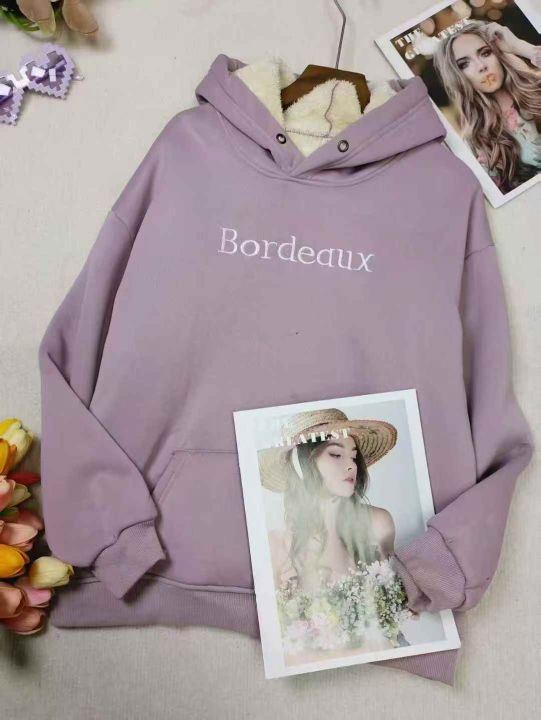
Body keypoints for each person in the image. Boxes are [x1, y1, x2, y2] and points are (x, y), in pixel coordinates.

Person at [257, 408, 411, 663]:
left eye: (353, 456)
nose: (351, 465)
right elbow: (279, 642)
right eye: (336, 454)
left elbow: (397, 603)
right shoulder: (277, 545)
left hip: (385, 659)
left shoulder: (378, 524)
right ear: (302, 463)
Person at [432, 20, 541, 192]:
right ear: (457, 76)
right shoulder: (476, 139)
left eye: (485, 53)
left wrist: (519, 47)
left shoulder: (538, 88)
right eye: (464, 64)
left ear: (499, 53)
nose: (481, 66)